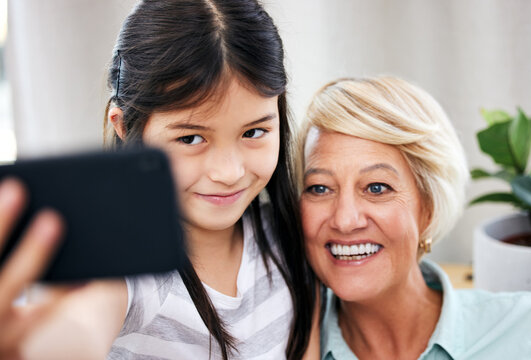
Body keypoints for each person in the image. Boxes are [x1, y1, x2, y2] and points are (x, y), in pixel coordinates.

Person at [0, 1, 317, 359]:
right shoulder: (127, 271)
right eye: (190, 138)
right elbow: (79, 329)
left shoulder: (286, 237)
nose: (229, 172)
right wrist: (29, 346)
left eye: (255, 131)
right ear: (123, 127)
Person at [296, 76, 531, 359]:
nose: (345, 220)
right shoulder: (280, 343)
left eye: (377, 188)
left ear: (429, 209)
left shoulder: (526, 332)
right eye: (320, 188)